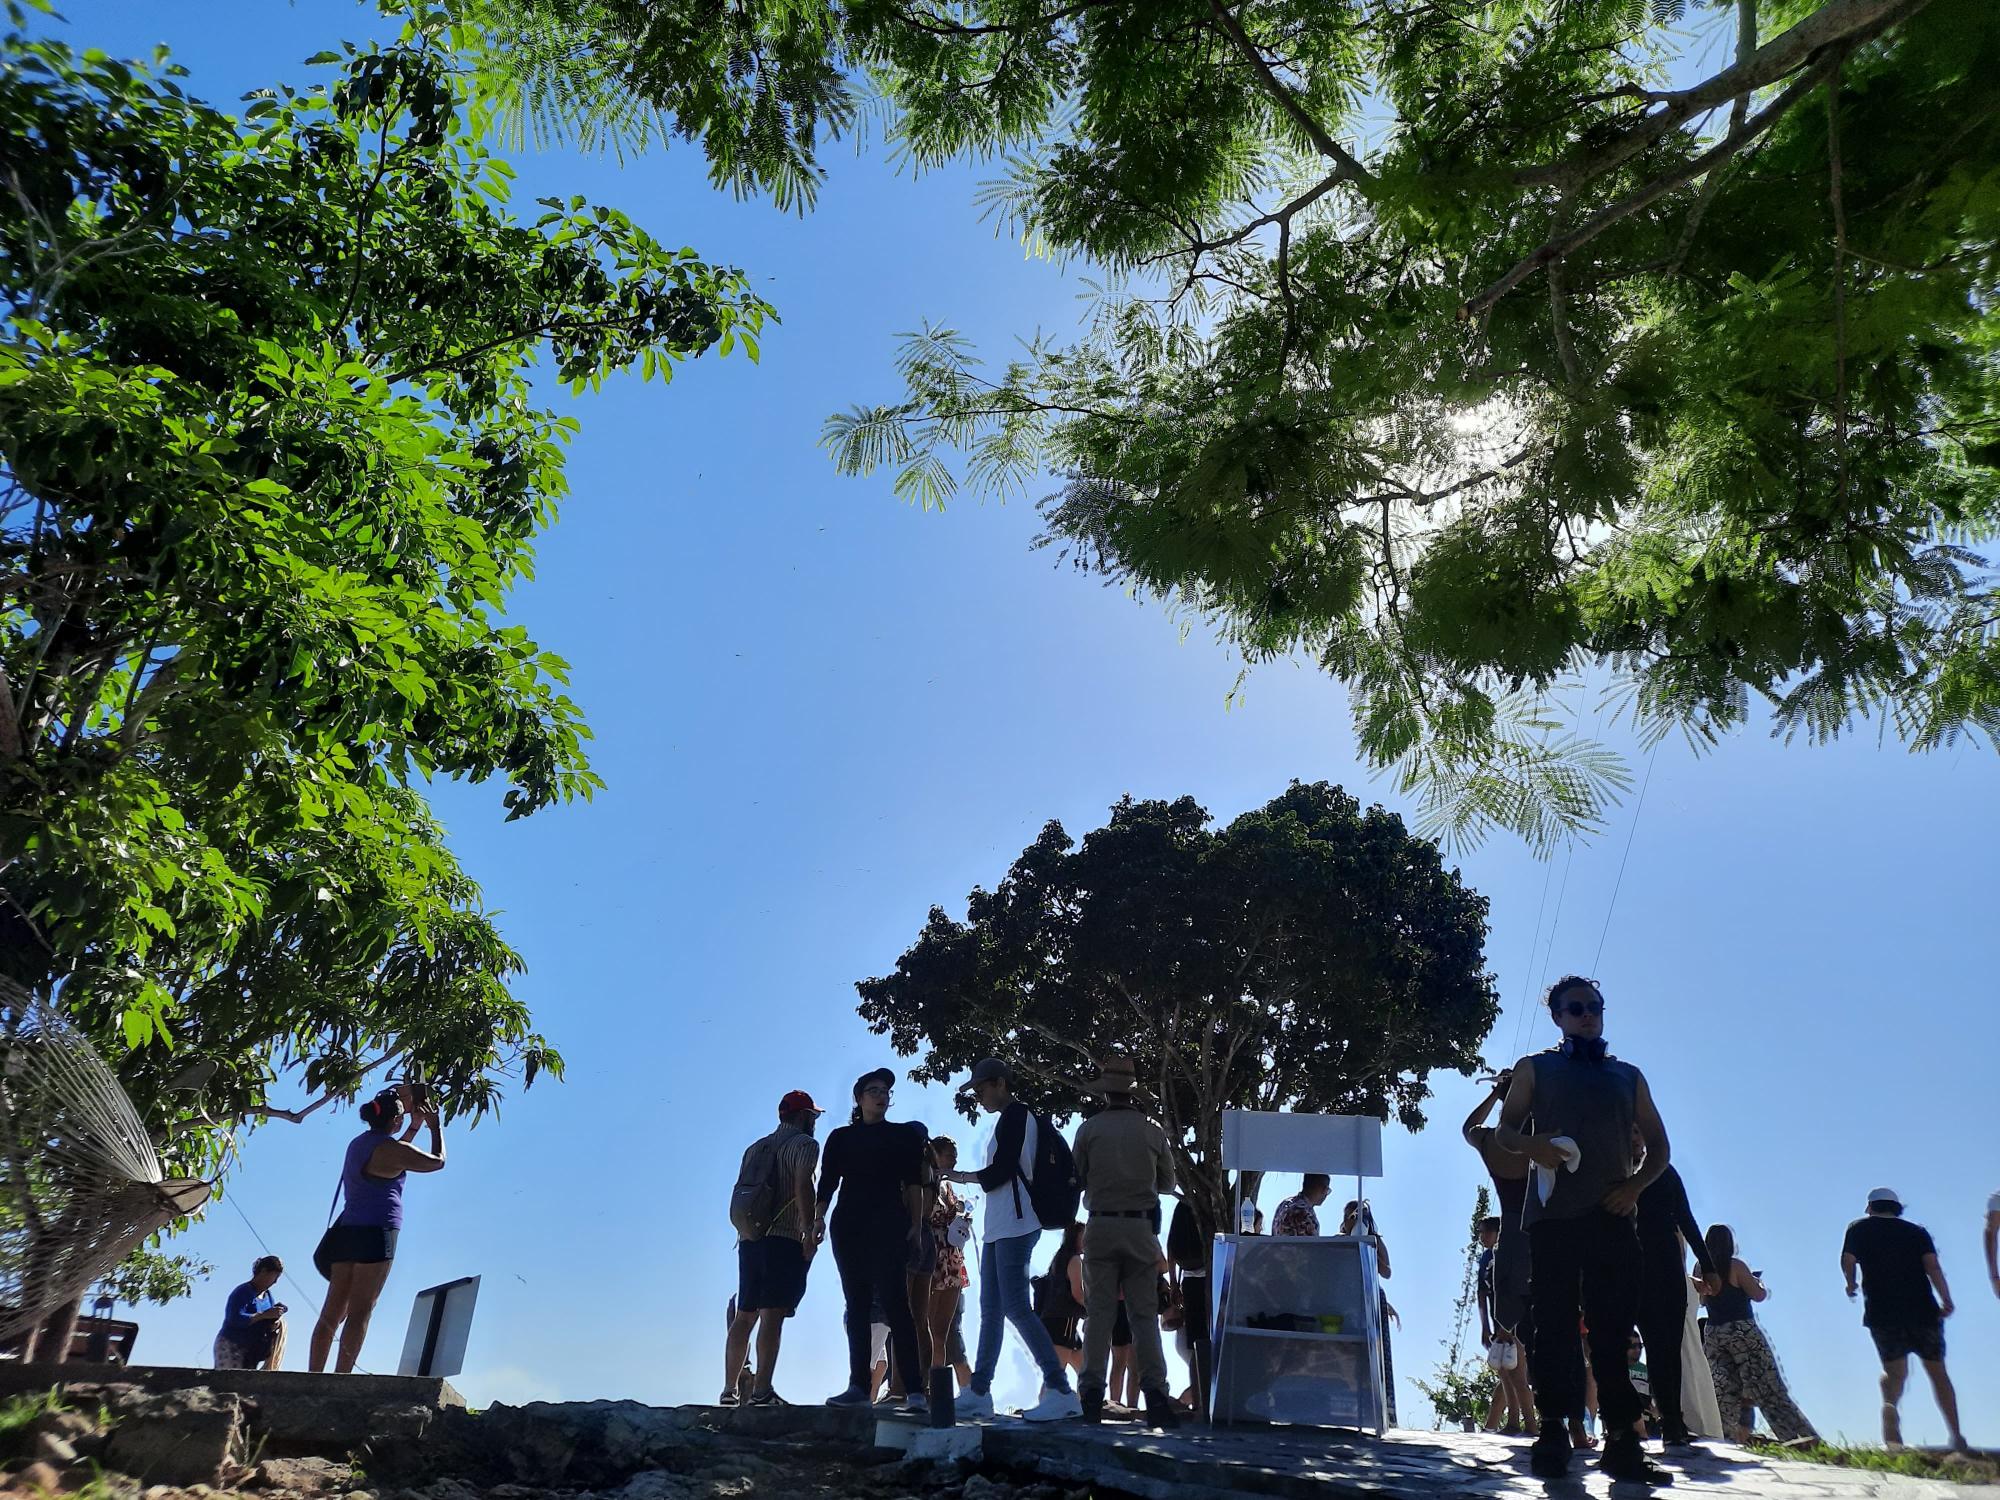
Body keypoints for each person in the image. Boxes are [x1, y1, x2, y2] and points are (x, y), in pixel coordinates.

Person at [1496, 975, 1672, 1482]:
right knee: (1553, 1329)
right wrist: (1534, 1146)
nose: (1587, 1015)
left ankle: (1623, 1442)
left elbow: (1660, 1148)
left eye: (1594, 1006)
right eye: (1576, 1008)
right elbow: (1505, 1132)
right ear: (1558, 1016)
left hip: (1612, 1220)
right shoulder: (1536, 1069)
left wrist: (1636, 1187)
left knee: (1614, 1333)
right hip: (1553, 1222)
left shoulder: (1628, 1076)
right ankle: (1553, 1433)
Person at [942, 1057, 1081, 1421]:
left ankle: (1061, 1390)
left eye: (982, 1089)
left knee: (1017, 1308)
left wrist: (957, 1176)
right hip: (1000, 1226)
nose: (979, 1097)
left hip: (1018, 1225)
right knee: (991, 1311)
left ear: (1001, 1083)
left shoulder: (1018, 1116)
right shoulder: (1010, 1119)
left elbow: (1001, 1172)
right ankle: (980, 1391)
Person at [1071, 1053, 1178, 1427]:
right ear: (1133, 1094)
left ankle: (1091, 1397)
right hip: (1139, 1228)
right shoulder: (1152, 1130)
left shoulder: (1088, 1130)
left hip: (1100, 1225)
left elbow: (1077, 1178)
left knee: (1098, 1315)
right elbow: (1168, 1183)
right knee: (1143, 1316)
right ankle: (1157, 1397)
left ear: (1104, 1093)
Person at [815, 1068, 928, 1411]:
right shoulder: (840, 1138)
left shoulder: (903, 1137)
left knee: (897, 1305)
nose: (881, 1096)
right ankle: (858, 1388)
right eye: (874, 1090)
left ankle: (915, 1390)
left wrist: (917, 1224)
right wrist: (816, 1220)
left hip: (890, 1225)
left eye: (886, 1092)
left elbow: (914, 1184)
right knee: (858, 1306)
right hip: (849, 1226)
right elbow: (828, 1183)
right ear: (860, 1098)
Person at [311, 1082, 443, 1373]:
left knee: (332, 1311)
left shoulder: (359, 1143)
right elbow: (436, 1162)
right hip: (377, 1232)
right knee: (360, 1311)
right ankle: (340, 1377)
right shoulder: (391, 1150)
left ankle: (313, 1374)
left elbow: (396, 1153)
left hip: (348, 1230)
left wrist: (414, 1127)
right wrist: (434, 1127)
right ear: (396, 1120)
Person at [1841, 1188, 1970, 1454]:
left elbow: (1848, 1259)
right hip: (1923, 1310)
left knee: (1894, 1371)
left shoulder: (1858, 1229)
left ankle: (1890, 1413)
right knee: (1938, 1373)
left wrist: (1851, 1282)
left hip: (1882, 1312)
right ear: (1897, 1207)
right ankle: (1956, 1436)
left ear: (1870, 1208)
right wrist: (1946, 1298)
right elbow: (1932, 1267)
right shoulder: (1917, 1232)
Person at [723, 1088, 824, 1406]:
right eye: (814, 1116)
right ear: (805, 1116)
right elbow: (802, 1185)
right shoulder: (805, 1145)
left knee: (745, 1315)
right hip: (783, 1236)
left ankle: (730, 1388)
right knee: (772, 1314)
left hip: (750, 1238)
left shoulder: (755, 1147)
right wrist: (808, 1229)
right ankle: (763, 1390)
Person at [1633, 1133, 1719, 1447]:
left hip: (1667, 1264)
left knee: (1669, 1344)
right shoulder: (1612, 1169)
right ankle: (1635, 1420)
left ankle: (1672, 1418)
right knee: (1650, 1341)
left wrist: (1707, 1264)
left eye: (1637, 1132)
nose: (1634, 1140)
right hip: (1631, 1265)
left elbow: (1685, 1216)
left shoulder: (1663, 1171)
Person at [1698, 1225, 1815, 1444]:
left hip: (1714, 1331)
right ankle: (1799, 1437)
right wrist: (1759, 1282)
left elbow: (1703, 1299)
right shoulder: (1736, 1266)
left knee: (1724, 1388)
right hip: (1741, 1330)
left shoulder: (1700, 1268)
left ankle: (1723, 1436)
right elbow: (1758, 1295)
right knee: (1769, 1387)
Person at [1340, 1199, 1398, 1427]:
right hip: (1346, 1296)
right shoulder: (1340, 1237)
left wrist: (1370, 1248)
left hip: (1370, 1296)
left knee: (1376, 1352)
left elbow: (1387, 1272)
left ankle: (1384, 1410)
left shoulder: (1374, 1241)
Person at [924, 1137, 972, 1389]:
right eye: (950, 1155)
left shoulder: (948, 1187)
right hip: (932, 1257)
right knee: (929, 1327)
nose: (954, 1160)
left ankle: (940, 1389)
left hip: (952, 1258)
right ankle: (926, 1385)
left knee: (943, 1329)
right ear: (935, 1154)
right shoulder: (926, 1180)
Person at [1166, 1199, 1211, 1418]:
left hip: (1189, 1280)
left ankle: (1199, 1404)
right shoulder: (1207, 1202)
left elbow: (1171, 1246)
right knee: (1206, 1342)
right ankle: (1205, 1402)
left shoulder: (1182, 1206)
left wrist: (1174, 1282)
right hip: (1208, 1278)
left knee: (1195, 1345)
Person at [212, 1256, 287, 1370]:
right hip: (232, 1346)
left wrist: (273, 1322)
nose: (275, 1282)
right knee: (230, 1382)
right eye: (274, 1276)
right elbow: (235, 1319)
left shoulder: (268, 1297)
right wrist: (263, 1315)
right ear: (263, 1272)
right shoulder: (243, 1292)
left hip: (252, 1351)